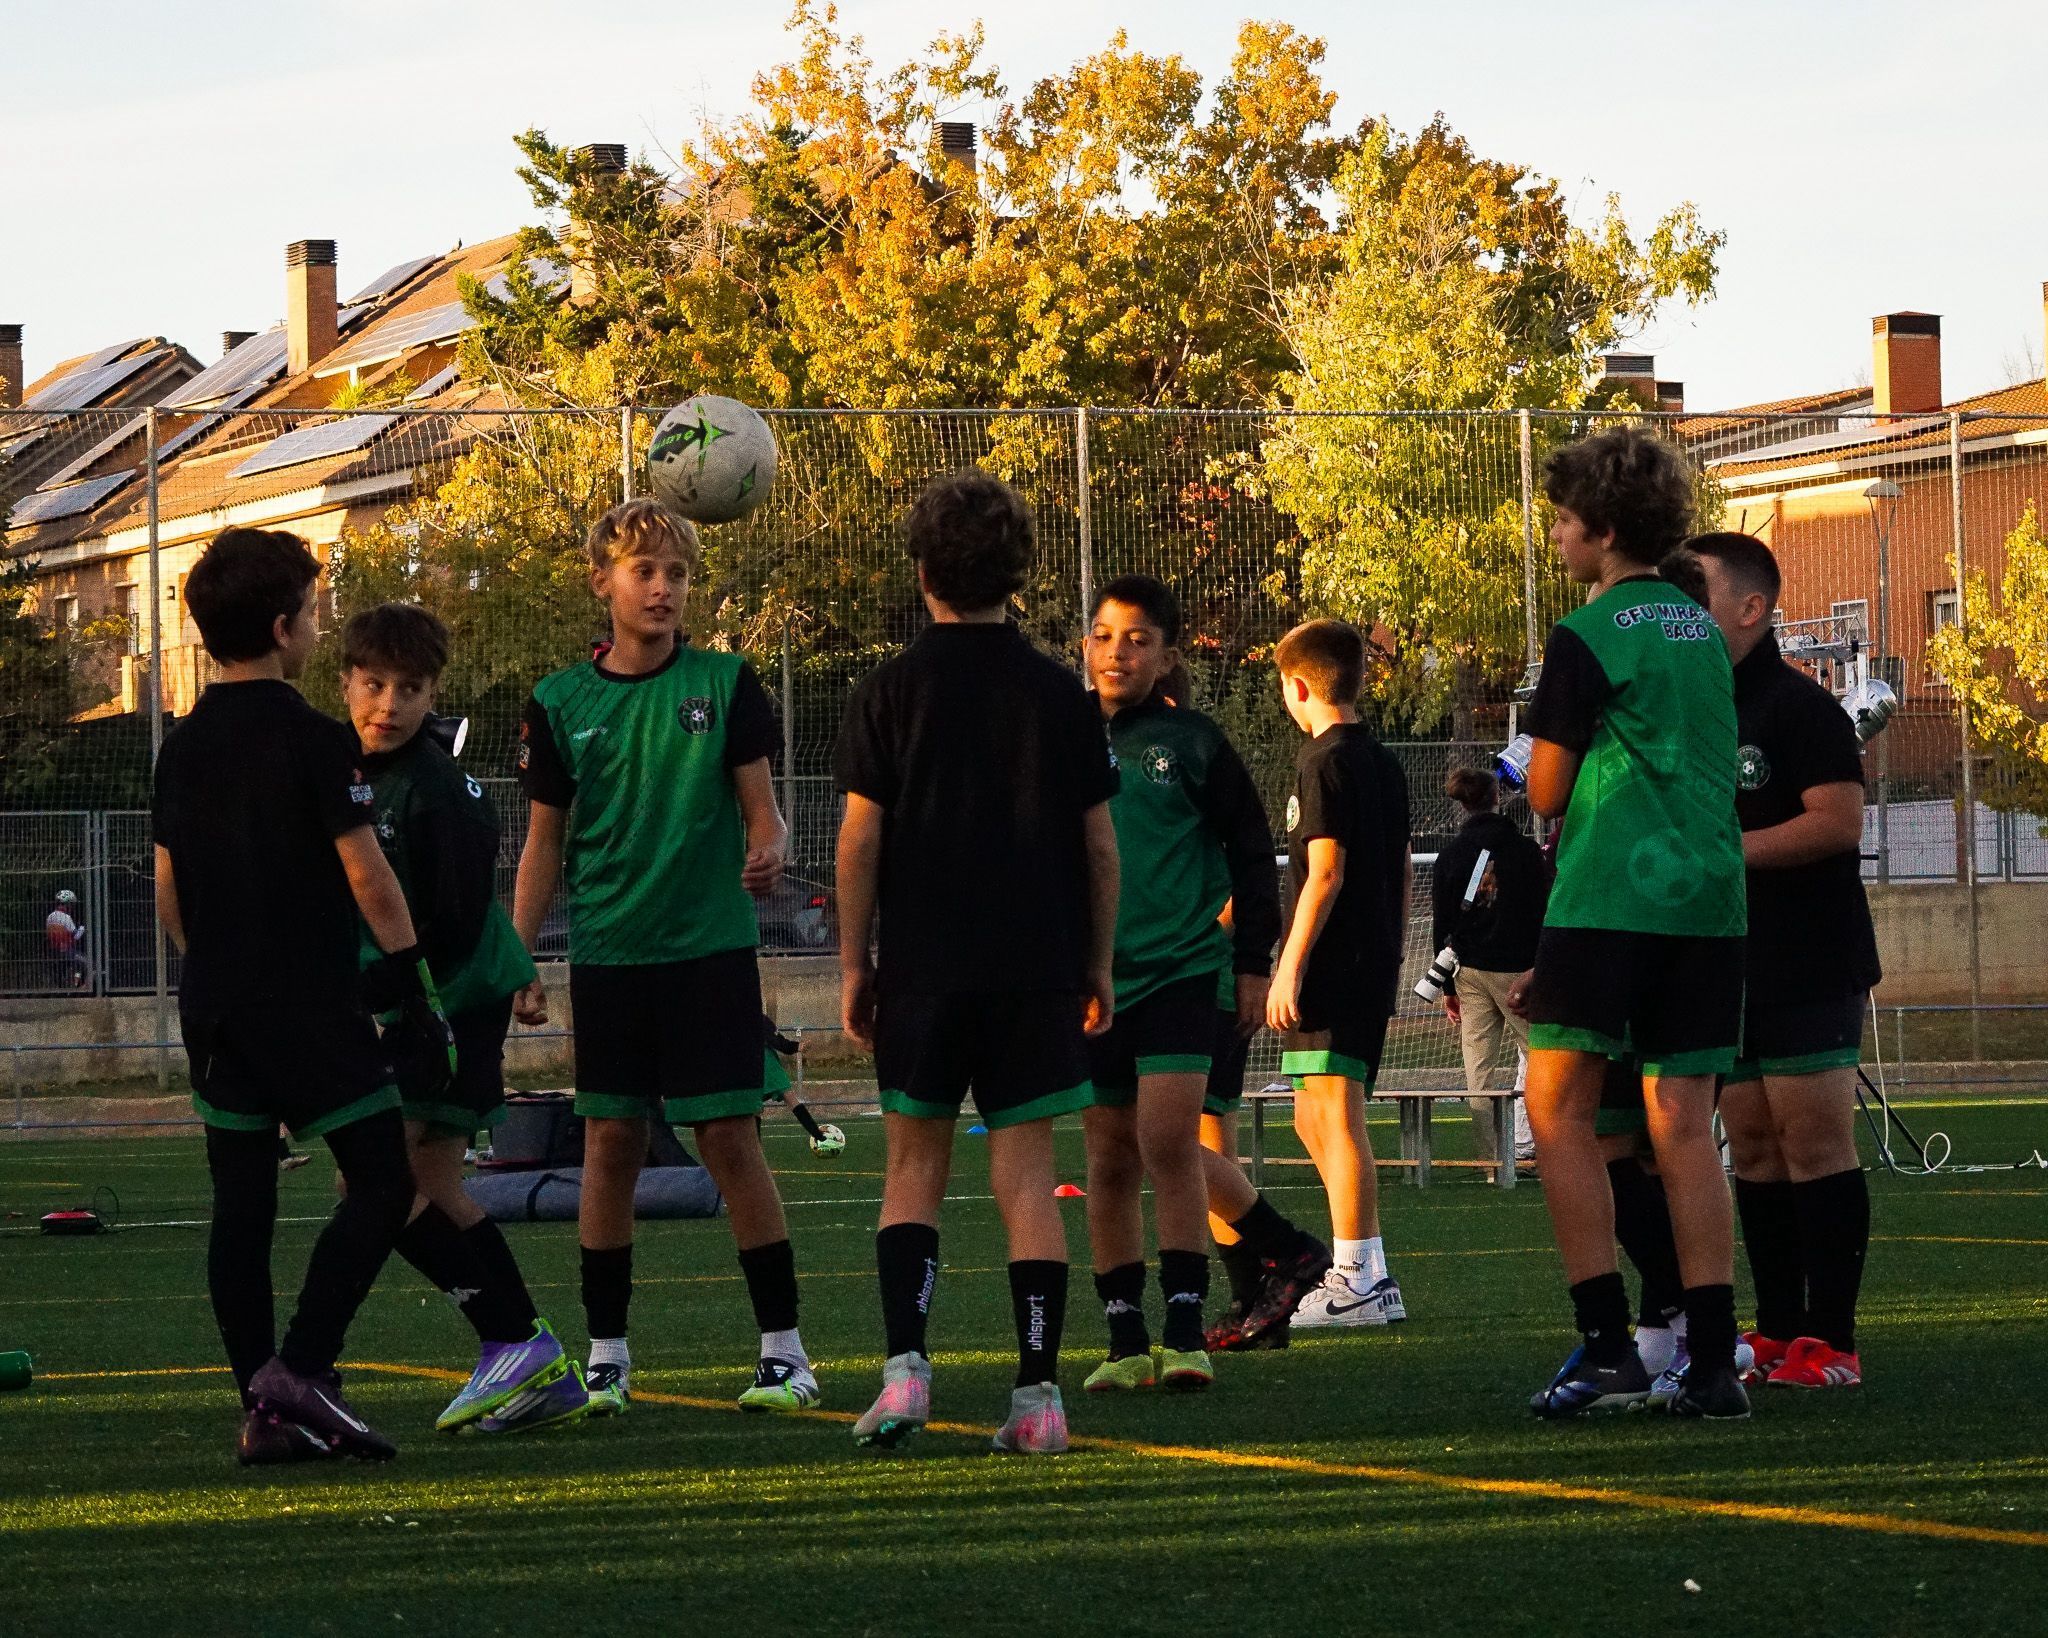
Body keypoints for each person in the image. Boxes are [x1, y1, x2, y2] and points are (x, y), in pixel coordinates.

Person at [152, 526, 454, 1464]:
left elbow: (168, 891)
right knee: (383, 1180)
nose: (319, 629)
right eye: (314, 613)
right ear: (285, 629)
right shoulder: (319, 741)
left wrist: (216, 969)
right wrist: (416, 989)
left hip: (216, 1007)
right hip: (310, 1006)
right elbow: (369, 876)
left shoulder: (180, 747)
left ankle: (261, 1406)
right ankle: (305, 1366)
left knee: (242, 1208)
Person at [834, 470, 1121, 1455]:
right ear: (1019, 573)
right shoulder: (1061, 696)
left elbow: (859, 842)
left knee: (912, 1167)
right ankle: (1038, 1397)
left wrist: (853, 963)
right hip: (1034, 967)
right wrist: (1095, 963)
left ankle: (905, 1376)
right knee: (1028, 1178)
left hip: (924, 965)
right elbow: (1099, 847)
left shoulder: (888, 690)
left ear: (922, 572)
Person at [512, 498, 813, 1418]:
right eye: (643, 571)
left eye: (676, 573)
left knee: (729, 1139)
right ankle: (606, 1357)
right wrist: (517, 958)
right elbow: (543, 844)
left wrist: (769, 847)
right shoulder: (558, 701)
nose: (662, 588)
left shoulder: (726, 682)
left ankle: (785, 1354)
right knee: (612, 1143)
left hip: (708, 952)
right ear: (600, 583)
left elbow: (764, 812)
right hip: (610, 956)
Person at [1511, 425, 1749, 1421]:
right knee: (1683, 1127)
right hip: (1710, 900)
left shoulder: (1587, 633)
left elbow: (1545, 790)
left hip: (1610, 894)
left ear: (1603, 531)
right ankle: (1712, 1363)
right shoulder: (1704, 629)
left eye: (1565, 521)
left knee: (1556, 1113)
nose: (1558, 537)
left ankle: (1609, 1344)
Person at [339, 602, 586, 1434]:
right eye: (374, 684)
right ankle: (532, 1361)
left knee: (374, 1182)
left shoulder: (442, 793)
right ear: (345, 682)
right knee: (430, 1187)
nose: (389, 704)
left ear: (433, 693)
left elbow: (445, 928)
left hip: (450, 1001)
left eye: (409, 689)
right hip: (419, 998)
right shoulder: (349, 770)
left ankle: (513, 1337)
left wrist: (382, 998)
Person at [1077, 574, 1281, 1392]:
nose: (1117, 652)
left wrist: (1253, 964)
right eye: (1103, 636)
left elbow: (1253, 852)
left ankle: (1187, 1331)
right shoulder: (1061, 737)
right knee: (1107, 1155)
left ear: (1165, 658)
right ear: (1084, 646)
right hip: (1095, 982)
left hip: (1184, 971)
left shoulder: (1193, 743)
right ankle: (1125, 1341)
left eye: (1137, 640)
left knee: (1167, 1140)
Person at [1692, 531, 1879, 1391]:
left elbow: (1837, 823)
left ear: (1751, 607)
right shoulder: (1694, 708)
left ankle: (1832, 1340)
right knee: (1755, 1147)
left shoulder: (1800, 708)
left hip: (1809, 955)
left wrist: (1722, 854)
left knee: (1812, 1142)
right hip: (1729, 960)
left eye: (1696, 591)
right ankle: (1775, 1331)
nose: (1680, 610)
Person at [1265, 619, 1409, 1328]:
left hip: (1334, 961)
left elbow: (1325, 871)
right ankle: (1362, 1263)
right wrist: (1395, 948)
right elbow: (1402, 866)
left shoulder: (1322, 760)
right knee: (1307, 1113)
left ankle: (1359, 1275)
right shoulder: (1380, 759)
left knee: (1335, 1110)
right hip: (1367, 957)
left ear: (1297, 686)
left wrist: (1288, 966)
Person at [1430, 767, 1546, 1178]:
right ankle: (1542, 1146)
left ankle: (1492, 1161)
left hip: (1470, 970)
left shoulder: (1451, 855)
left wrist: (1447, 986)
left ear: (1462, 804)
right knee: (1540, 1058)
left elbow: (1442, 923)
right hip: (1519, 972)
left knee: (1478, 1070)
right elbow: (1543, 912)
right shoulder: (1525, 851)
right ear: (1498, 796)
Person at [44, 889, 91, 991]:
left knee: (65, 966)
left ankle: (62, 986)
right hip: (67, 951)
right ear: (68, 904)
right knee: (87, 962)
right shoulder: (66, 917)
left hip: (53, 950)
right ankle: (79, 986)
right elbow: (76, 936)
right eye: (71, 904)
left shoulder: (50, 917)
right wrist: (83, 928)